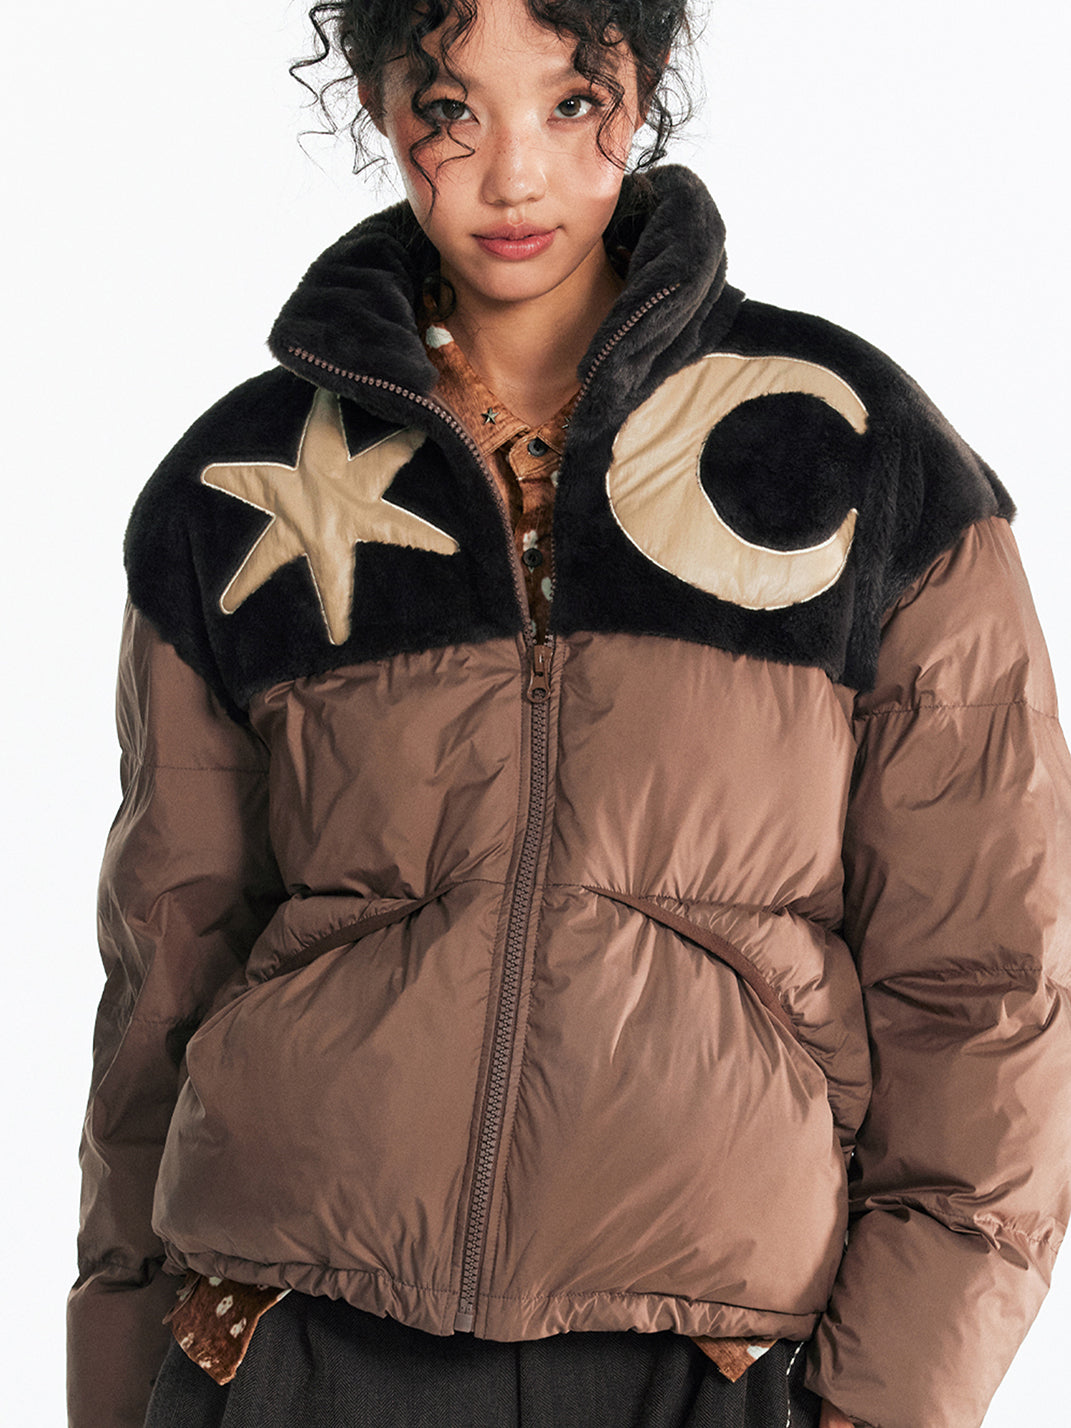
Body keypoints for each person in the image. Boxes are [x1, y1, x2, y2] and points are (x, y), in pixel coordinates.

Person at [68, 1, 1071, 1425]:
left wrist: (895, 1393)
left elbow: (991, 978)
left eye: (571, 103)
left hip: (710, 1356)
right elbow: (160, 973)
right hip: (289, 1337)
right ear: (379, 103)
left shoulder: (855, 452)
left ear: (641, 89)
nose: (514, 174)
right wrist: (116, 1369)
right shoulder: (236, 486)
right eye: (452, 109)